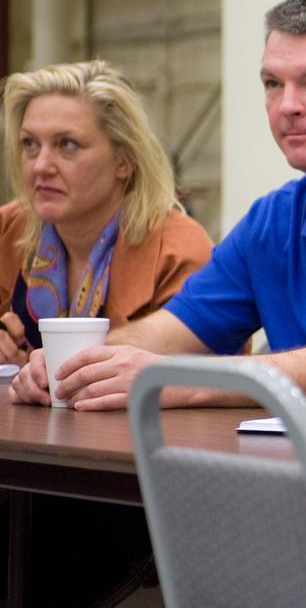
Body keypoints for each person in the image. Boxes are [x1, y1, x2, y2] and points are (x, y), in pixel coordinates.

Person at [9, 0, 306, 410]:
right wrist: (69, 363)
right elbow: (174, 331)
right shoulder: (273, 219)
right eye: (272, 84)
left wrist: (189, 382)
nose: (288, 105)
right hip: (295, 467)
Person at [0, 59, 213, 606]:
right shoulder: (10, 229)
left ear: (123, 161)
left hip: (129, 489)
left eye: (67, 145)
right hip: (28, 467)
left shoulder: (177, 245)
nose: (41, 165)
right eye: (29, 145)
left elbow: (201, 387)